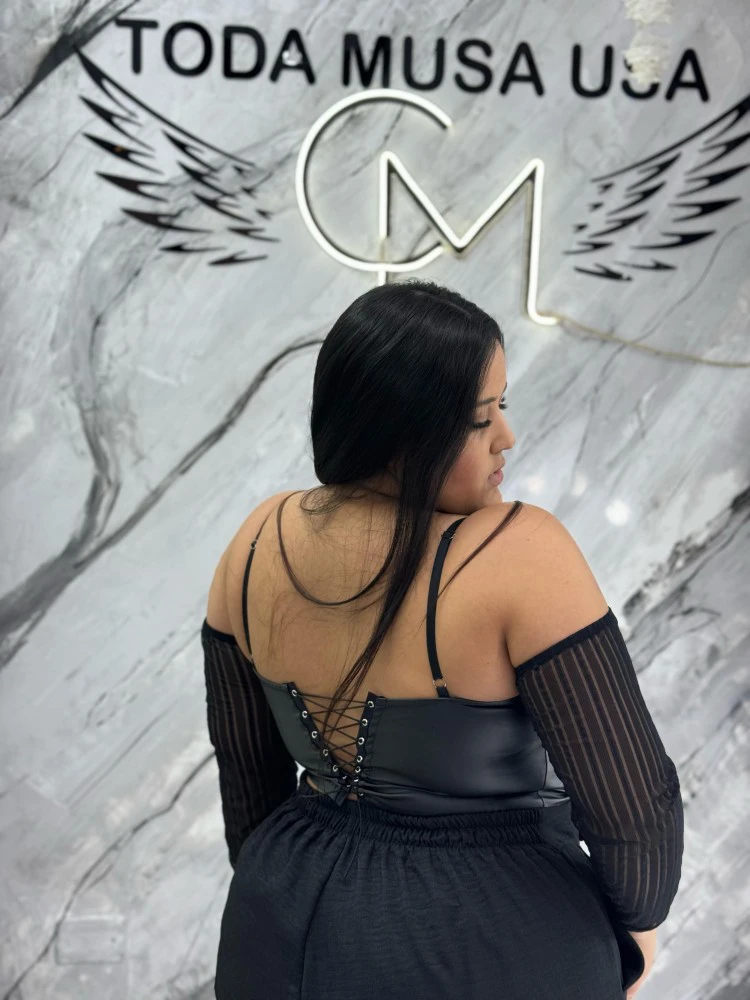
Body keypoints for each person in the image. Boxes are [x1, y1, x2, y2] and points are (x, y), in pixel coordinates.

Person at [202, 279, 683, 999]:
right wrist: (633, 938)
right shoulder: (517, 552)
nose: (506, 438)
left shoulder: (255, 541)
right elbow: (635, 817)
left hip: (277, 928)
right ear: (401, 429)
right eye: (480, 418)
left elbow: (248, 795)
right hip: (489, 945)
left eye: (502, 408)